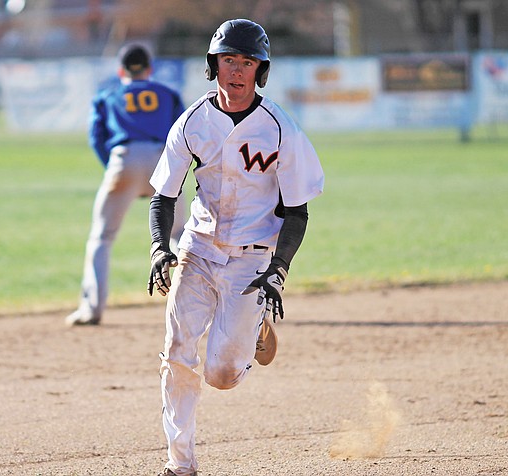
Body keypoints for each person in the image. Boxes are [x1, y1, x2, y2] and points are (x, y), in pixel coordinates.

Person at [147, 19, 325, 476]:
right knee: (178, 352)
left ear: (260, 70)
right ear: (215, 65)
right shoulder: (191, 122)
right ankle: (179, 464)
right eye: (229, 60)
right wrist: (158, 248)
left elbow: (297, 212)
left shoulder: (280, 129)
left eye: (248, 62)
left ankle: (258, 329)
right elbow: (164, 195)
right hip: (198, 250)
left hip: (252, 260)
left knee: (221, 375)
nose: (238, 71)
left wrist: (279, 269)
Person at [65, 44, 187, 326]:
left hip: (124, 158)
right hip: (162, 161)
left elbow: (96, 137)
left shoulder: (108, 94)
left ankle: (91, 309)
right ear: (150, 69)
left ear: (121, 70)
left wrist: (116, 168)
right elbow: (183, 133)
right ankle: (194, 306)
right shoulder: (167, 94)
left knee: (102, 237)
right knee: (180, 235)